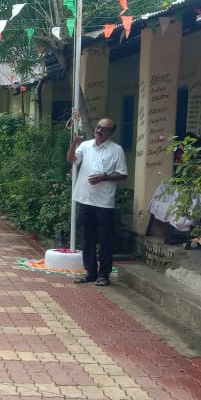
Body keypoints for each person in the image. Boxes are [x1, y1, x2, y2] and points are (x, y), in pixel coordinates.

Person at [68, 117, 128, 286]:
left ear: (111, 133)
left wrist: (104, 177)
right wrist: (74, 143)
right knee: (87, 239)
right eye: (98, 127)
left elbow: (123, 174)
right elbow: (71, 160)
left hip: (104, 202)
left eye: (104, 129)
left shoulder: (116, 150)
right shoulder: (86, 145)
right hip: (85, 198)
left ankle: (104, 275)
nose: (99, 130)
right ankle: (90, 272)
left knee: (105, 240)